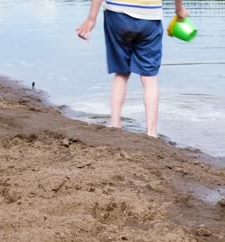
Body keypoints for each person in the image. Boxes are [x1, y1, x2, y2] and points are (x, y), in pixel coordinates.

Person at [76, 0, 189, 138]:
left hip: (117, 15)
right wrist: (179, 10)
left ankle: (115, 123)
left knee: (121, 73)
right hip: (149, 16)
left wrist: (91, 18)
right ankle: (151, 132)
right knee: (149, 78)